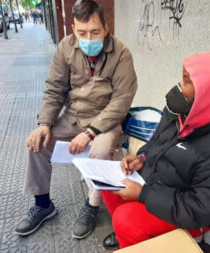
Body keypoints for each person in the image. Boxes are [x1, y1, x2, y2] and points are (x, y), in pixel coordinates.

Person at [100, 52, 210, 250]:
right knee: (107, 183)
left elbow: (200, 211)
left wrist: (144, 195)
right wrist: (142, 158)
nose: (179, 87)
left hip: (190, 216)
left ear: (209, 91)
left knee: (126, 219)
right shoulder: (179, 112)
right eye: (182, 77)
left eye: (186, 81)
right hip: (159, 187)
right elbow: (156, 142)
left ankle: (132, 232)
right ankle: (130, 236)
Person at [14, 0, 137, 239]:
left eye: (95, 32)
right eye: (82, 33)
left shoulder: (121, 54)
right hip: (73, 116)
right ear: (73, 29)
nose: (89, 38)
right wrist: (45, 124)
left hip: (106, 121)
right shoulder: (66, 47)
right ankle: (42, 205)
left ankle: (91, 207)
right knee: (38, 143)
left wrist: (91, 132)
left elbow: (121, 101)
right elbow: (55, 88)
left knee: (101, 152)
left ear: (106, 27)